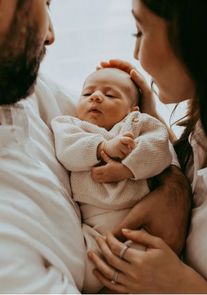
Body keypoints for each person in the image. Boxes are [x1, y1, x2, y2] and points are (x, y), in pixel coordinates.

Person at [0, 0, 192, 293]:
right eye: (43, 3)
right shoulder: (11, 256)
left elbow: (150, 141)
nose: (51, 34)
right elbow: (75, 141)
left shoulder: (19, 83)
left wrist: (173, 188)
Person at [88, 0, 207, 293]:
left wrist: (181, 285)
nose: (135, 54)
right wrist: (150, 123)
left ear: (198, 37)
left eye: (140, 32)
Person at [51, 67, 172, 293]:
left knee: (140, 263)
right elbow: (67, 152)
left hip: (139, 219)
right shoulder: (70, 125)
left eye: (110, 95)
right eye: (88, 94)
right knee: (86, 273)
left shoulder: (138, 123)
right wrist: (102, 147)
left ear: (131, 109)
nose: (96, 97)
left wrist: (127, 168)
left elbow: (160, 150)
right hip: (93, 225)